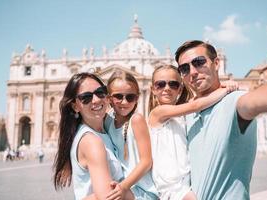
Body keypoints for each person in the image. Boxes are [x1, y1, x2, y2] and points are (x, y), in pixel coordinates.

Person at [175, 40, 267, 200]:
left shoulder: (235, 101)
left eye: (199, 62)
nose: (193, 72)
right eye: (184, 68)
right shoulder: (188, 113)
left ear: (216, 63)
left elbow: (259, 98)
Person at [148, 65, 236, 200]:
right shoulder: (157, 113)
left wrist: (223, 85)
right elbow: (196, 105)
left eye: (173, 84)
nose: (167, 88)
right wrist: (225, 90)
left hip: (187, 181)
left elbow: (201, 99)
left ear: (180, 89)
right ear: (153, 89)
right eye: (160, 84)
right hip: (171, 186)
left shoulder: (181, 112)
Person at [53, 72, 134, 200]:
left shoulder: (103, 129)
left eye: (100, 92)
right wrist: (140, 194)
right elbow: (108, 197)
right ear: (75, 106)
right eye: (86, 97)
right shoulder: (92, 142)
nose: (96, 100)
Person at [104, 70, 159, 200]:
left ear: (137, 98)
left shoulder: (136, 120)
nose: (124, 102)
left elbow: (146, 161)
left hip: (142, 190)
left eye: (130, 97)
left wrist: (123, 186)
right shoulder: (108, 120)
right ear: (109, 98)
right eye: (118, 96)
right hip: (124, 185)